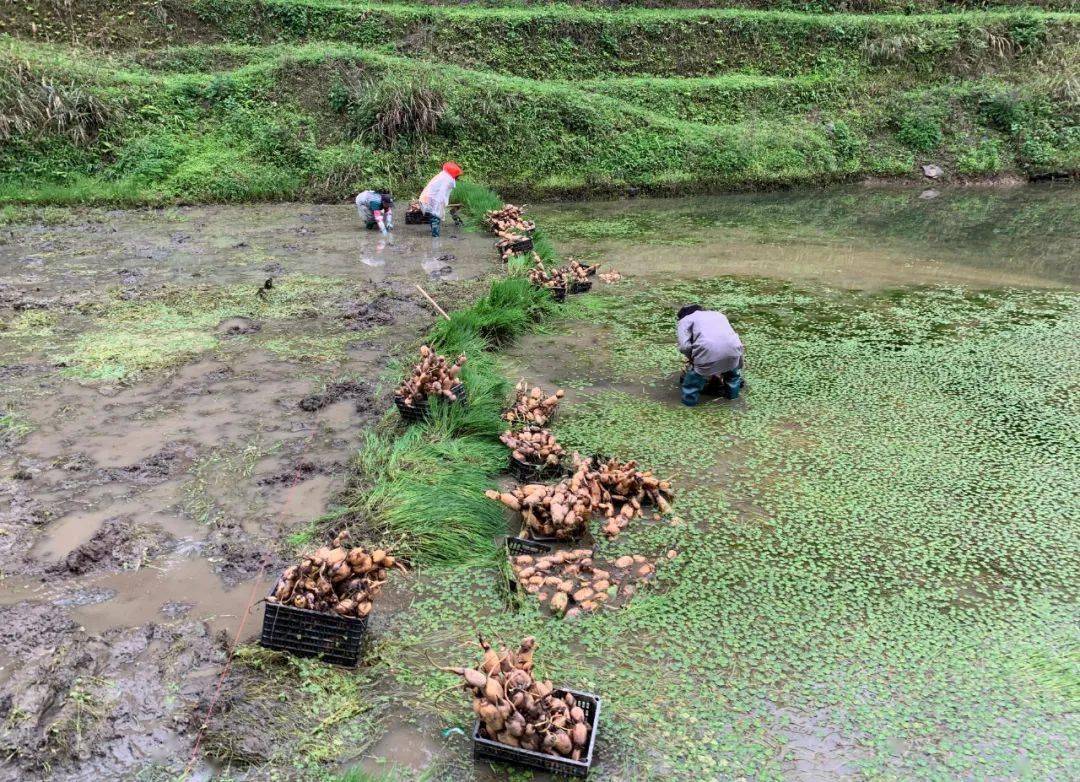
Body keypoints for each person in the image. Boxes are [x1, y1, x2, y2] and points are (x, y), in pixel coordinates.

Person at [677, 304, 744, 406]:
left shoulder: (685, 320)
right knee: (732, 376)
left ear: (682, 316)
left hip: (708, 350)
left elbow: (684, 347)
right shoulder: (719, 315)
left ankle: (688, 405)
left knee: (692, 384)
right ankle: (733, 400)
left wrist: (692, 358)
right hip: (735, 349)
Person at [418, 162, 461, 237]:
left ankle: (434, 234)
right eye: (458, 175)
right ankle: (435, 238)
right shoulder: (447, 179)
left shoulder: (443, 175)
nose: (458, 177)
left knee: (433, 217)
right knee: (435, 217)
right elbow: (441, 193)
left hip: (428, 197)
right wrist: (439, 205)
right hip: (433, 200)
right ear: (455, 174)